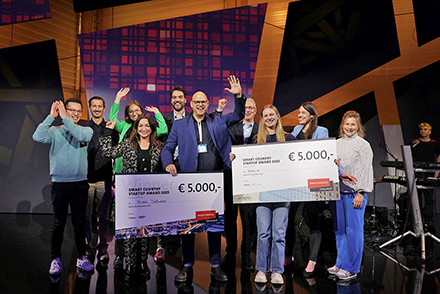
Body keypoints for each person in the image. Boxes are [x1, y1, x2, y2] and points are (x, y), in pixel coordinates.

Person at [161, 75, 245, 283]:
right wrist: (168, 163)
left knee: (213, 226)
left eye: (203, 102)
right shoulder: (180, 125)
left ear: (208, 104)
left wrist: (239, 95)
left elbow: (238, 114)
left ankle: (215, 265)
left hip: (213, 183)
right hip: (188, 183)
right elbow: (167, 148)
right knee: (188, 226)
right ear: (191, 104)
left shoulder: (218, 119)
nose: (200, 105)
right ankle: (187, 264)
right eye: (196, 102)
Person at [32, 99, 94, 275]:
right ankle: (55, 259)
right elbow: (37, 137)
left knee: (79, 223)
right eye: (71, 110)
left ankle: (82, 257)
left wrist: (65, 118)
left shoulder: (85, 130)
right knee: (58, 223)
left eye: (78, 111)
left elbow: (79, 137)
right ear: (64, 110)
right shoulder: (55, 131)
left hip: (80, 184)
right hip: (60, 184)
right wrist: (51, 117)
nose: (75, 113)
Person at [109, 87, 168, 269]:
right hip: (123, 176)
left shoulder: (149, 130)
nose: (134, 113)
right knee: (124, 221)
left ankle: (141, 260)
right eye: (131, 111)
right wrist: (118, 99)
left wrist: (157, 114)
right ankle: (120, 256)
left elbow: (163, 129)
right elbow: (112, 119)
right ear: (128, 114)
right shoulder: (124, 126)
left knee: (142, 221)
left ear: (142, 113)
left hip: (144, 183)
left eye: (137, 110)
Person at [100, 114, 163, 281]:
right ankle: (130, 264)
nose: (144, 128)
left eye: (147, 126)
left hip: (149, 198)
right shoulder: (127, 144)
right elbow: (108, 152)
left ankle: (142, 263)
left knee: (144, 233)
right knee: (129, 233)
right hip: (128, 198)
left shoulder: (158, 147)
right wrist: (108, 131)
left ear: (152, 129)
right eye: (140, 125)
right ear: (136, 128)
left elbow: (164, 168)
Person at [252, 104, 296, 285]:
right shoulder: (256, 140)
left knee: (279, 233)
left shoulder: (289, 138)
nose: (269, 118)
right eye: (265, 115)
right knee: (263, 233)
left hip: (283, 195)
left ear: (278, 116)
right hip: (262, 194)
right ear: (262, 119)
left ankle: (277, 271)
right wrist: (236, 159)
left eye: (272, 114)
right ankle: (261, 269)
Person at [327, 111, 374, 280]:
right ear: (342, 125)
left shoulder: (363, 145)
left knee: (353, 231)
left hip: (355, 193)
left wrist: (361, 192)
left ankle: (352, 268)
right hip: (338, 192)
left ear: (358, 126)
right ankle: (340, 262)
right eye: (347, 124)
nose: (349, 127)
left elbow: (366, 170)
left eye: (353, 124)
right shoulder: (336, 144)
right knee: (340, 230)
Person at [285, 102, 329, 278]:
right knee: (290, 219)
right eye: (298, 112)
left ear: (312, 115)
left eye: (303, 112)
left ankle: (312, 260)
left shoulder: (322, 131)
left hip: (313, 183)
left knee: (313, 221)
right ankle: (289, 256)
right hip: (295, 183)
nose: (299, 115)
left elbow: (322, 153)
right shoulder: (295, 130)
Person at [222, 97, 259, 271]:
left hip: (252, 181)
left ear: (256, 110)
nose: (249, 110)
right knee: (230, 218)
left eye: (251, 107)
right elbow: (223, 148)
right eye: (246, 107)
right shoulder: (231, 128)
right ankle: (230, 254)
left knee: (248, 221)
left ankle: (246, 258)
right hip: (232, 178)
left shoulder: (262, 130)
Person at [81, 96, 117, 264]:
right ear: (90, 107)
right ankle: (88, 246)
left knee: (103, 216)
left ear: (104, 108)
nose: (96, 109)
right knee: (86, 215)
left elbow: (116, 152)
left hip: (104, 177)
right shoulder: (83, 127)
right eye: (93, 106)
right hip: (86, 178)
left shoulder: (110, 127)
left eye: (99, 106)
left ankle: (103, 247)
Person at [410, 122, 440, 229]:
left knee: (428, 198)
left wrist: (437, 168)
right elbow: (408, 155)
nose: (423, 131)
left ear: (430, 131)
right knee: (415, 198)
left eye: (425, 129)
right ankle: (415, 221)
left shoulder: (435, 144)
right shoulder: (414, 143)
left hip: (429, 172)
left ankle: (428, 221)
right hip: (415, 172)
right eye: (421, 129)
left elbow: (438, 155)